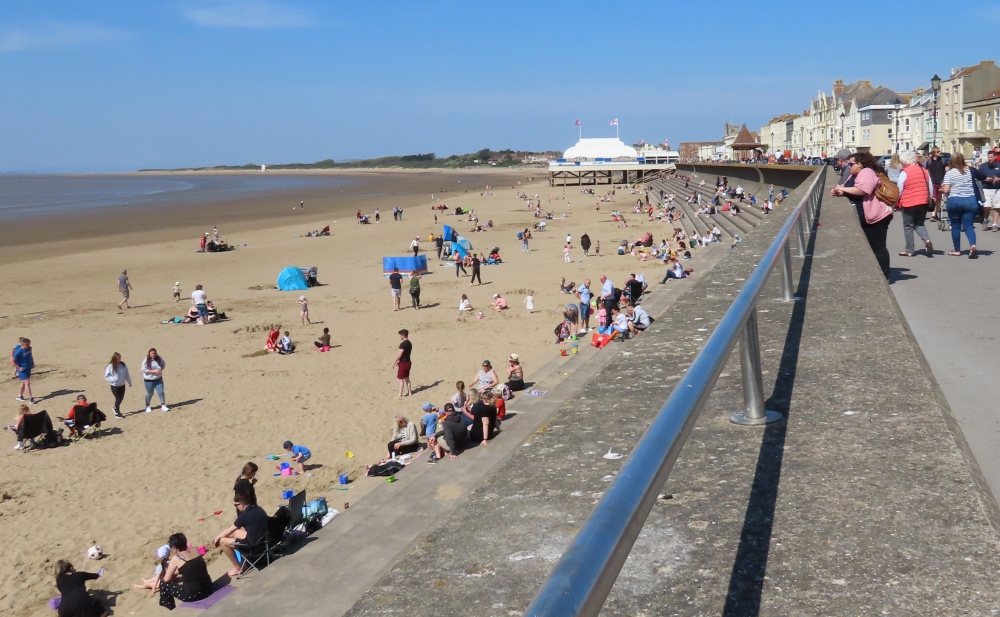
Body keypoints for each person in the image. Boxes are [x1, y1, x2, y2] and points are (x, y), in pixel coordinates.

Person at [830, 152, 893, 279]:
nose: (849, 166)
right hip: (870, 215)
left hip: (878, 215)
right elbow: (854, 190)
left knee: (878, 246)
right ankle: (878, 273)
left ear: (859, 164)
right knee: (872, 245)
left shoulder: (867, 172)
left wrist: (843, 190)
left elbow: (863, 190)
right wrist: (840, 192)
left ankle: (884, 276)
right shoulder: (857, 174)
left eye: (851, 164)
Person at [214, 492, 269, 577]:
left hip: (254, 547)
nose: (236, 507)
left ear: (242, 504)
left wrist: (217, 538)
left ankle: (238, 568)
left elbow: (228, 531)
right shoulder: (258, 509)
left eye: (236, 505)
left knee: (223, 541)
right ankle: (244, 563)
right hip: (265, 541)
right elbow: (234, 531)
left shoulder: (244, 516)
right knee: (237, 532)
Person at [895, 150, 934, 257]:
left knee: (908, 226)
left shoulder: (905, 172)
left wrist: (896, 201)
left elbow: (900, 188)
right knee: (919, 224)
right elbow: (930, 186)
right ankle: (927, 240)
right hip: (923, 201)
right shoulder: (924, 170)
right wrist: (930, 197)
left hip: (909, 202)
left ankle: (909, 250)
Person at [942, 152, 980, 258]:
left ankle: (957, 250)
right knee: (968, 226)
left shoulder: (950, 173)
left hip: (955, 200)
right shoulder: (970, 171)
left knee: (955, 226)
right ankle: (972, 245)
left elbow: (946, 190)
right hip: (970, 200)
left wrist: (941, 188)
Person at [977, 149, 1000, 231]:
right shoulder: (983, 166)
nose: (989, 159)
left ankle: (994, 224)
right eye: (988, 157)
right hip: (986, 188)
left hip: (997, 189)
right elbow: (978, 178)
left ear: (995, 157)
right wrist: (985, 179)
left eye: (991, 157)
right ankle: (985, 220)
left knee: (997, 207)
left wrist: (998, 179)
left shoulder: (999, 165)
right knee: (987, 206)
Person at [104, 352, 131, 419]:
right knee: (118, 398)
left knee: (121, 397)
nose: (119, 359)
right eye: (118, 358)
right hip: (114, 385)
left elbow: (126, 373)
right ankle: (117, 412)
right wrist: (114, 379)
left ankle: (115, 408)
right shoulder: (110, 366)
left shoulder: (123, 365)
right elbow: (107, 376)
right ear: (114, 358)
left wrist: (129, 382)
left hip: (122, 384)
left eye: (120, 358)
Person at [141, 348, 169, 413]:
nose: (153, 355)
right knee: (150, 393)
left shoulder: (159, 359)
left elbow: (163, 364)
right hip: (149, 380)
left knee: (161, 392)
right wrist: (153, 371)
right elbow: (143, 369)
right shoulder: (146, 360)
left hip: (158, 379)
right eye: (152, 353)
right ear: (149, 354)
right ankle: (147, 406)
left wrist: (160, 370)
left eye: (154, 353)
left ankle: (163, 405)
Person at [926, 147, 948, 221]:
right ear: (934, 153)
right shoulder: (929, 162)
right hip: (932, 183)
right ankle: (933, 215)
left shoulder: (943, 160)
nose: (940, 152)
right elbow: (927, 172)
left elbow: (947, 170)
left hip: (941, 182)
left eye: (939, 151)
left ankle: (935, 214)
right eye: (938, 152)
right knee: (934, 199)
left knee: (938, 200)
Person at [12, 338, 34, 404]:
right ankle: (31, 398)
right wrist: (18, 368)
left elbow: (30, 356)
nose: (28, 346)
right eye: (27, 345)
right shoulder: (19, 351)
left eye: (29, 344)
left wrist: (32, 363)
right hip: (23, 370)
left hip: (28, 368)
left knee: (23, 383)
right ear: (22, 344)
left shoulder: (29, 348)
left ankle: (19, 396)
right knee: (27, 383)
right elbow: (12, 361)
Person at [393, 329, 412, 397]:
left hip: (403, 363)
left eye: (401, 335)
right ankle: (410, 393)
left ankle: (400, 394)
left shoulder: (403, 344)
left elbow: (399, 355)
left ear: (403, 335)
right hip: (408, 362)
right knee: (407, 378)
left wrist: (394, 362)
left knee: (401, 379)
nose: (400, 336)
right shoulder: (409, 343)